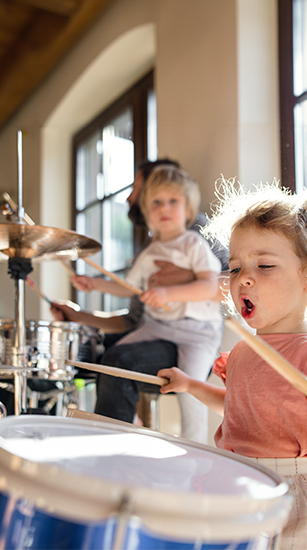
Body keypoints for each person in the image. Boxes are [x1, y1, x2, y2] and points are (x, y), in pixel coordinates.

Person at [157, 180, 307, 549]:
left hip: (299, 500)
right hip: (244, 483)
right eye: (235, 269)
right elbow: (238, 406)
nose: (243, 278)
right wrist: (190, 385)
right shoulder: (243, 351)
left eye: (264, 265)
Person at [50, 158, 228, 434]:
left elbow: (216, 285)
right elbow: (129, 292)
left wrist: (170, 290)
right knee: (105, 356)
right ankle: (115, 430)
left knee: (188, 398)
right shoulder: (152, 248)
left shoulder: (196, 238)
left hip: (197, 333)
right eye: (155, 202)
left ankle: (192, 458)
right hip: (157, 327)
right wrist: (94, 286)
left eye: (172, 201)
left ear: (187, 206)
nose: (163, 208)